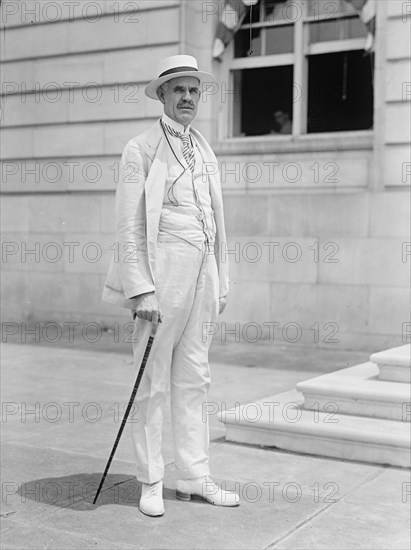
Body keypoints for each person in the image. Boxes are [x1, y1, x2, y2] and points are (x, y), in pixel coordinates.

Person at [102, 55, 239, 517]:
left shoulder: (204, 148)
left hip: (203, 271)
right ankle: (151, 480)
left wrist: (222, 277)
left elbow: (217, 221)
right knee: (152, 379)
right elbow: (128, 225)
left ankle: (195, 476)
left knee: (195, 376)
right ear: (161, 95)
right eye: (177, 89)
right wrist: (140, 289)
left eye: (193, 90)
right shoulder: (139, 148)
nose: (186, 98)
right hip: (164, 272)